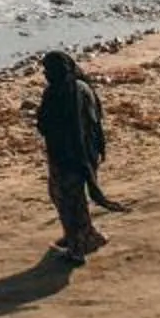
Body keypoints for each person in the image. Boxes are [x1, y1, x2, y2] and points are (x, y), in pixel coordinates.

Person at [35, 50, 109, 262]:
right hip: (86, 152)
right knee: (73, 198)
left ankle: (77, 248)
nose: (46, 74)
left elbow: (47, 124)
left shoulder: (59, 93)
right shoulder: (82, 87)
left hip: (68, 155)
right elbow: (96, 120)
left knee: (67, 199)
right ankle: (85, 235)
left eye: (48, 70)